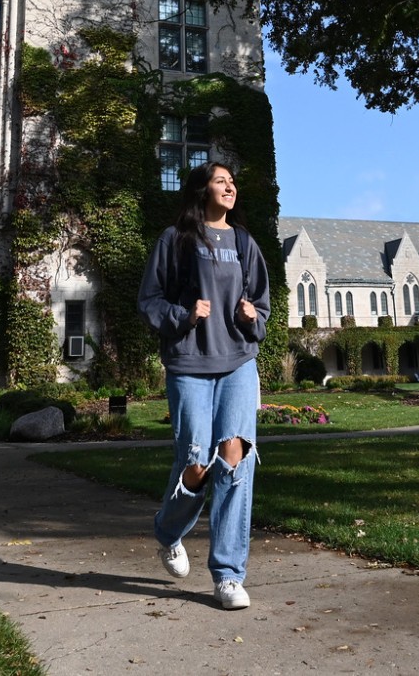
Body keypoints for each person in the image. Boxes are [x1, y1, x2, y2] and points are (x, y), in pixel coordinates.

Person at [137, 160, 270, 610]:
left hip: (237, 362)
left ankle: (229, 574)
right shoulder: (175, 240)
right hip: (189, 363)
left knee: (234, 456)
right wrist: (184, 314)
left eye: (233, 181)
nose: (230, 186)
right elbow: (150, 300)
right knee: (196, 463)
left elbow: (263, 306)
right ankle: (168, 531)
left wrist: (254, 317)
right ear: (201, 190)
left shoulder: (244, 242)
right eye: (220, 181)